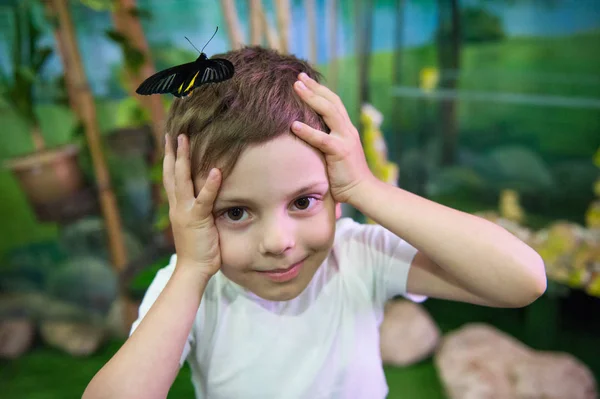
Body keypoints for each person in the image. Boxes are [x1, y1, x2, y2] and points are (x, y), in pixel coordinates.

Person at [83, 46, 546, 399]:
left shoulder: (361, 255)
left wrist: (368, 188)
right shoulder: (188, 287)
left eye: (303, 201)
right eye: (236, 212)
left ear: (335, 193)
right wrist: (189, 270)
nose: (279, 242)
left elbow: (523, 280)